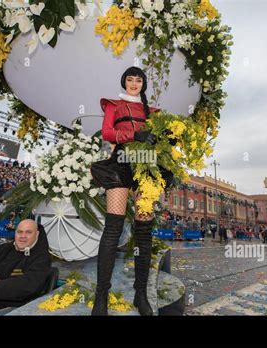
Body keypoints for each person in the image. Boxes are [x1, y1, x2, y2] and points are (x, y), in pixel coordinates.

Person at [90, 66, 166, 316]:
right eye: (130, 79)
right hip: (121, 162)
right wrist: (135, 133)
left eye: (139, 80)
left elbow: (160, 139)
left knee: (144, 229)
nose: (134, 83)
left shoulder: (153, 112)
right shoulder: (113, 104)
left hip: (146, 163)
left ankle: (140, 294)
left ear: (144, 84)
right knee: (113, 226)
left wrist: (165, 139)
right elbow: (107, 132)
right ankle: (101, 296)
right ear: (124, 82)